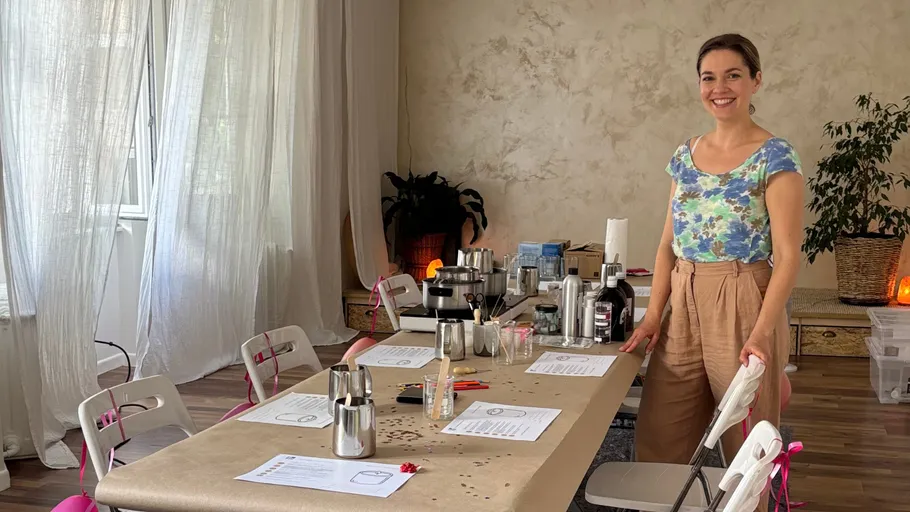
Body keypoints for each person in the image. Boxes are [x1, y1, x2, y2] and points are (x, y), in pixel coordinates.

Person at [619, 33, 803, 479]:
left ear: (755, 81)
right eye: (709, 77)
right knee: (663, 429)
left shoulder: (774, 156)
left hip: (743, 295)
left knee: (744, 437)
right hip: (681, 296)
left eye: (733, 75)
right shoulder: (686, 154)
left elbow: (788, 255)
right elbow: (667, 244)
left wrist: (762, 333)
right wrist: (652, 315)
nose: (719, 87)